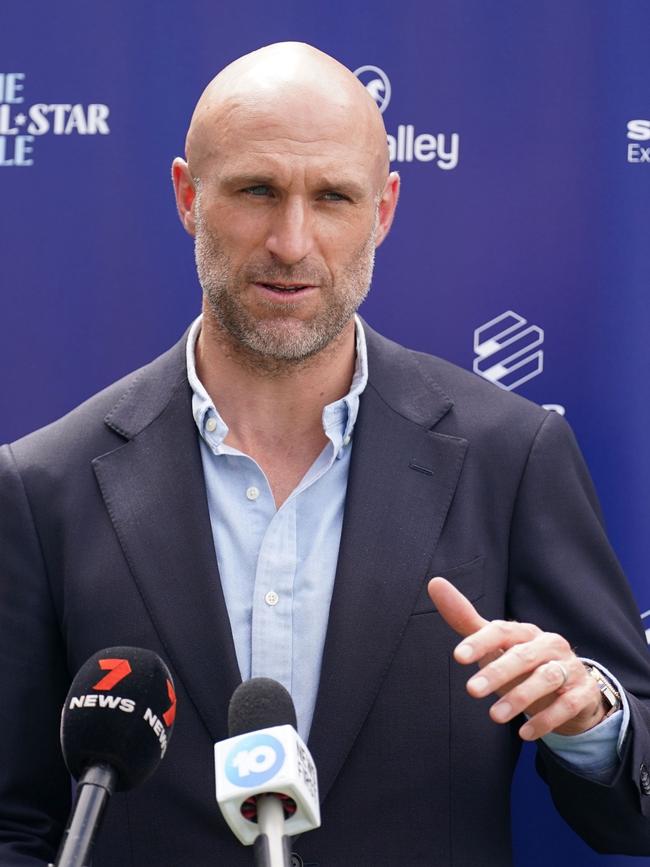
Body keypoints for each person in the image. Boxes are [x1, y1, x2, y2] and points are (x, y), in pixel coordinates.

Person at [1, 41, 649, 867]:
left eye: (333, 196)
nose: (292, 240)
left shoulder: (510, 456)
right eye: (258, 190)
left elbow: (634, 808)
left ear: (382, 211)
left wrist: (592, 720)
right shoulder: (41, 487)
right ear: (188, 196)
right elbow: (13, 822)